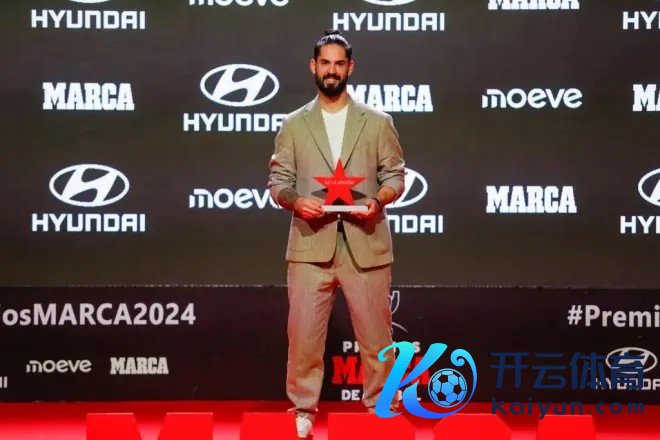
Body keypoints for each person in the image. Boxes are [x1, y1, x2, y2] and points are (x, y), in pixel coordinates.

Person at [268, 30, 405, 439]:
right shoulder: (293, 125)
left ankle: (382, 406)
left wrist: (377, 201)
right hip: (310, 245)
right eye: (325, 63)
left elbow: (395, 176)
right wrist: (295, 201)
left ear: (350, 68)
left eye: (339, 64)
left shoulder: (378, 122)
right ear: (313, 66)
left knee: (377, 338)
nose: (331, 70)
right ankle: (302, 411)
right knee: (304, 338)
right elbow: (278, 183)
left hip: (367, 242)